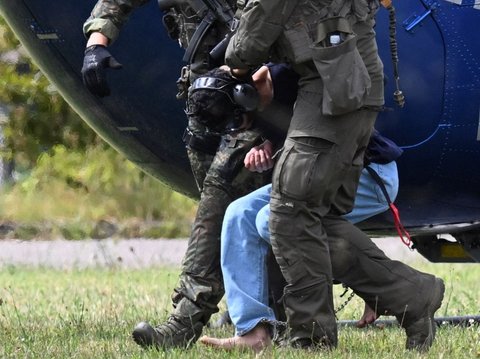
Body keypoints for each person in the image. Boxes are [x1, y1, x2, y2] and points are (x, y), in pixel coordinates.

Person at [221, 0, 444, 352]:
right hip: (344, 85)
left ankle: (312, 341)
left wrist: (233, 65)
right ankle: (413, 297)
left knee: (290, 211)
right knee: (308, 217)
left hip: (333, 90)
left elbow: (246, 45)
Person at [81, 0, 272, 350]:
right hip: (206, 102)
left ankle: (184, 322)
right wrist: (97, 43)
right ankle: (276, 313)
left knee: (215, 209)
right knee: (232, 217)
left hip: (256, 102)